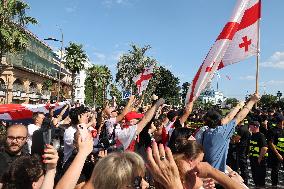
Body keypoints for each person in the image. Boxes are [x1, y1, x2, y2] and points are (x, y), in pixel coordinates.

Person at [195, 94, 260, 172]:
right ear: (219, 120)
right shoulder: (221, 132)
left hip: (205, 170)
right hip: (216, 175)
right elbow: (239, 117)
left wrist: (239, 106)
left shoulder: (204, 131)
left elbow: (228, 118)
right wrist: (252, 101)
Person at [248, 120, 268, 188]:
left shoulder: (261, 136)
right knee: (254, 176)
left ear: (255, 127)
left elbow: (264, 148)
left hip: (260, 160)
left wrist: (260, 158)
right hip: (253, 159)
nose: (249, 127)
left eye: (251, 126)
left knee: (260, 177)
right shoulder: (252, 135)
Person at [267, 113, 284, 187]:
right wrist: (278, 154)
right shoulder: (273, 130)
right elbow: (271, 143)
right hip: (276, 155)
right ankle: (274, 186)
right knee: (275, 171)